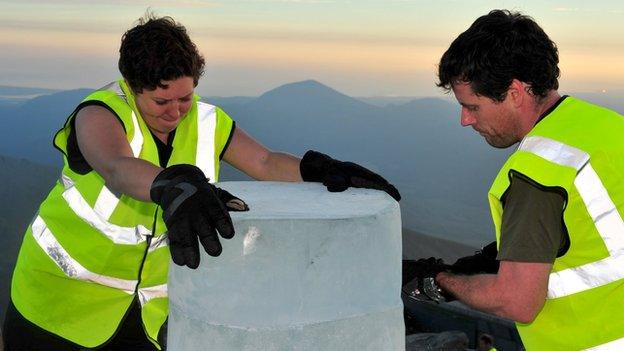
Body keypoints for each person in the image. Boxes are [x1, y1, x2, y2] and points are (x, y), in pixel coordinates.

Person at [2, 15, 400, 350]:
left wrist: (319, 170)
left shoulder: (208, 121)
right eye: (162, 101)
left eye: (186, 97)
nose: (176, 111)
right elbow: (118, 167)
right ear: (132, 85)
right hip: (59, 307)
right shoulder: (99, 113)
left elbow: (264, 161)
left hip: (148, 314)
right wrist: (173, 185)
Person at [418, 9, 624, 350]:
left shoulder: (535, 174)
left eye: (473, 106)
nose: (465, 120)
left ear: (514, 92)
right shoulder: (607, 127)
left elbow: (517, 302)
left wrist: (443, 281)